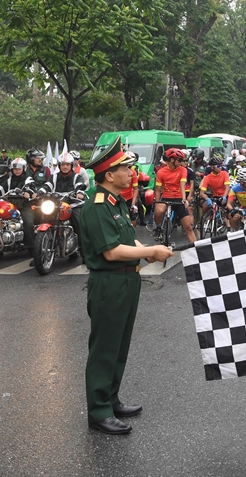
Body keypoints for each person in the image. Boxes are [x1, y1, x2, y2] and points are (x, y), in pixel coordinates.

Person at [81, 139, 173, 435]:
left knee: (119, 345)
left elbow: (127, 241)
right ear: (109, 174)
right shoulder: (97, 206)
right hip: (109, 282)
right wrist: (151, 253)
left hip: (127, 279)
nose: (131, 172)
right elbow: (111, 252)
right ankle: (98, 410)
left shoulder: (116, 202)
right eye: (125, 168)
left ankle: (111, 398)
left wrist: (148, 249)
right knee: (104, 348)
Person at [152, 148, 197, 244]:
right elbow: (158, 189)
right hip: (166, 197)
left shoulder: (183, 170)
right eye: (179, 160)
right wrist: (157, 203)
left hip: (179, 198)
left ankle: (197, 250)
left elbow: (182, 185)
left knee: (188, 227)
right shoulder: (161, 172)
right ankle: (158, 227)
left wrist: (184, 199)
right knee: (159, 211)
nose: (181, 163)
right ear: (172, 160)